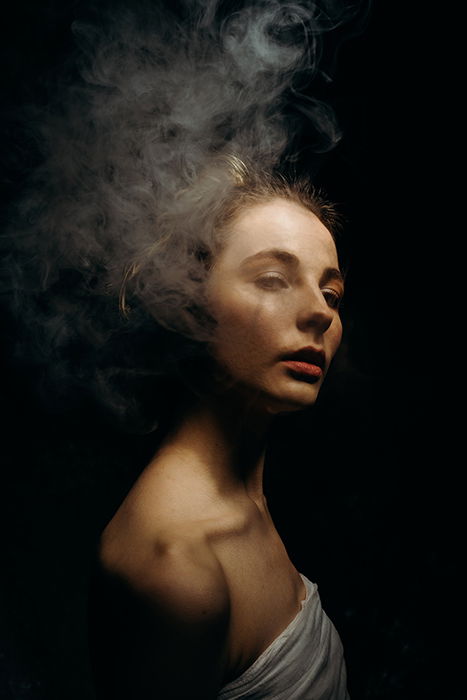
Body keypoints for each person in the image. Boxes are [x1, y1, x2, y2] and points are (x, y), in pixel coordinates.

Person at [87, 159, 351, 699]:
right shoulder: (177, 565)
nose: (320, 314)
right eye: (274, 280)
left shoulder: (243, 497)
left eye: (331, 294)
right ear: (188, 304)